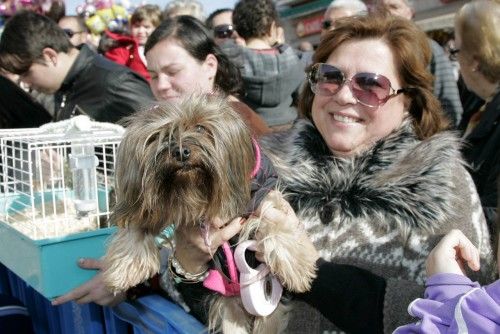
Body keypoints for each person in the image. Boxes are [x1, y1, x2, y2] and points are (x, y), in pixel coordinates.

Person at [172, 14, 495, 333]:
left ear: (408, 100)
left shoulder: (441, 185)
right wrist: (187, 266)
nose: (343, 95)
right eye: (330, 76)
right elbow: (218, 306)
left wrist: (315, 273)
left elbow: (462, 318)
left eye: (371, 84)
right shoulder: (259, 168)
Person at [0, 11, 155, 123]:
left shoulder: (115, 83)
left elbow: (166, 144)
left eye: (26, 72)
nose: (25, 82)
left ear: (50, 56)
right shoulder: (63, 86)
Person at [373, 0, 464, 128]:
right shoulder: (366, 49)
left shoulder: (429, 48)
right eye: (380, 7)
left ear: (410, 13)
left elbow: (449, 103)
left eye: (394, 7)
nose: (386, 12)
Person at [452, 0, 500, 234]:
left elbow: (493, 214)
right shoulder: (479, 104)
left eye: (456, 51)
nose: (456, 62)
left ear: (474, 61)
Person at [229, 0, 305, 130]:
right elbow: (302, 97)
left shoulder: (232, 62)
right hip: (290, 129)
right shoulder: (293, 59)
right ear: (272, 28)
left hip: (249, 129)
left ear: (239, 31)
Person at [103, 4, 162, 81]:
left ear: (157, 28)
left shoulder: (165, 48)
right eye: (137, 26)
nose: (141, 31)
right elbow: (115, 75)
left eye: (146, 27)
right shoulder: (122, 50)